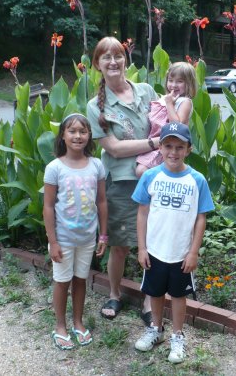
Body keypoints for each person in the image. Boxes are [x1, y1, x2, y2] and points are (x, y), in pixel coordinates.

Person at [87, 36, 159, 324]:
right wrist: (155, 144)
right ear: (97, 65)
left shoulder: (146, 90)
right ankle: (115, 294)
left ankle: (148, 300)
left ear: (125, 59)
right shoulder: (96, 107)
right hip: (121, 184)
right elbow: (114, 148)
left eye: (118, 55)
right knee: (120, 246)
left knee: (153, 243)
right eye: (106, 57)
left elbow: (163, 121)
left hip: (154, 179)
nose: (113, 62)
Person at [132, 122, 214, 364]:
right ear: (160, 146)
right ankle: (155, 330)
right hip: (155, 251)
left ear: (189, 149)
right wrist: (142, 247)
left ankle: (177, 336)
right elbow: (142, 213)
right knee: (155, 293)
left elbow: (201, 218)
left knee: (178, 296)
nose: (174, 152)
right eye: (168, 146)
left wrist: (193, 252)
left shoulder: (197, 180)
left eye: (180, 147)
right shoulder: (150, 176)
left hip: (181, 253)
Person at [43, 113, 108, 350]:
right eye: (72, 131)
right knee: (62, 282)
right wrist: (53, 241)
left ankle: (78, 322)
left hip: (87, 237)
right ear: (63, 135)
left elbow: (101, 201)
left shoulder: (96, 165)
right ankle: (60, 326)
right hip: (63, 238)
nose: (77, 136)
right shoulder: (54, 168)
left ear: (89, 135)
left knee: (80, 280)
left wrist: (103, 235)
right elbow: (48, 207)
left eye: (82, 131)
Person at [136, 61, 197, 177]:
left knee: (141, 171)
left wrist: (169, 104)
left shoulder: (185, 102)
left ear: (189, 84)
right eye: (170, 80)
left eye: (179, 81)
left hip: (168, 145)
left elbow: (176, 126)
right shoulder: (165, 98)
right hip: (153, 143)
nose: (173, 85)